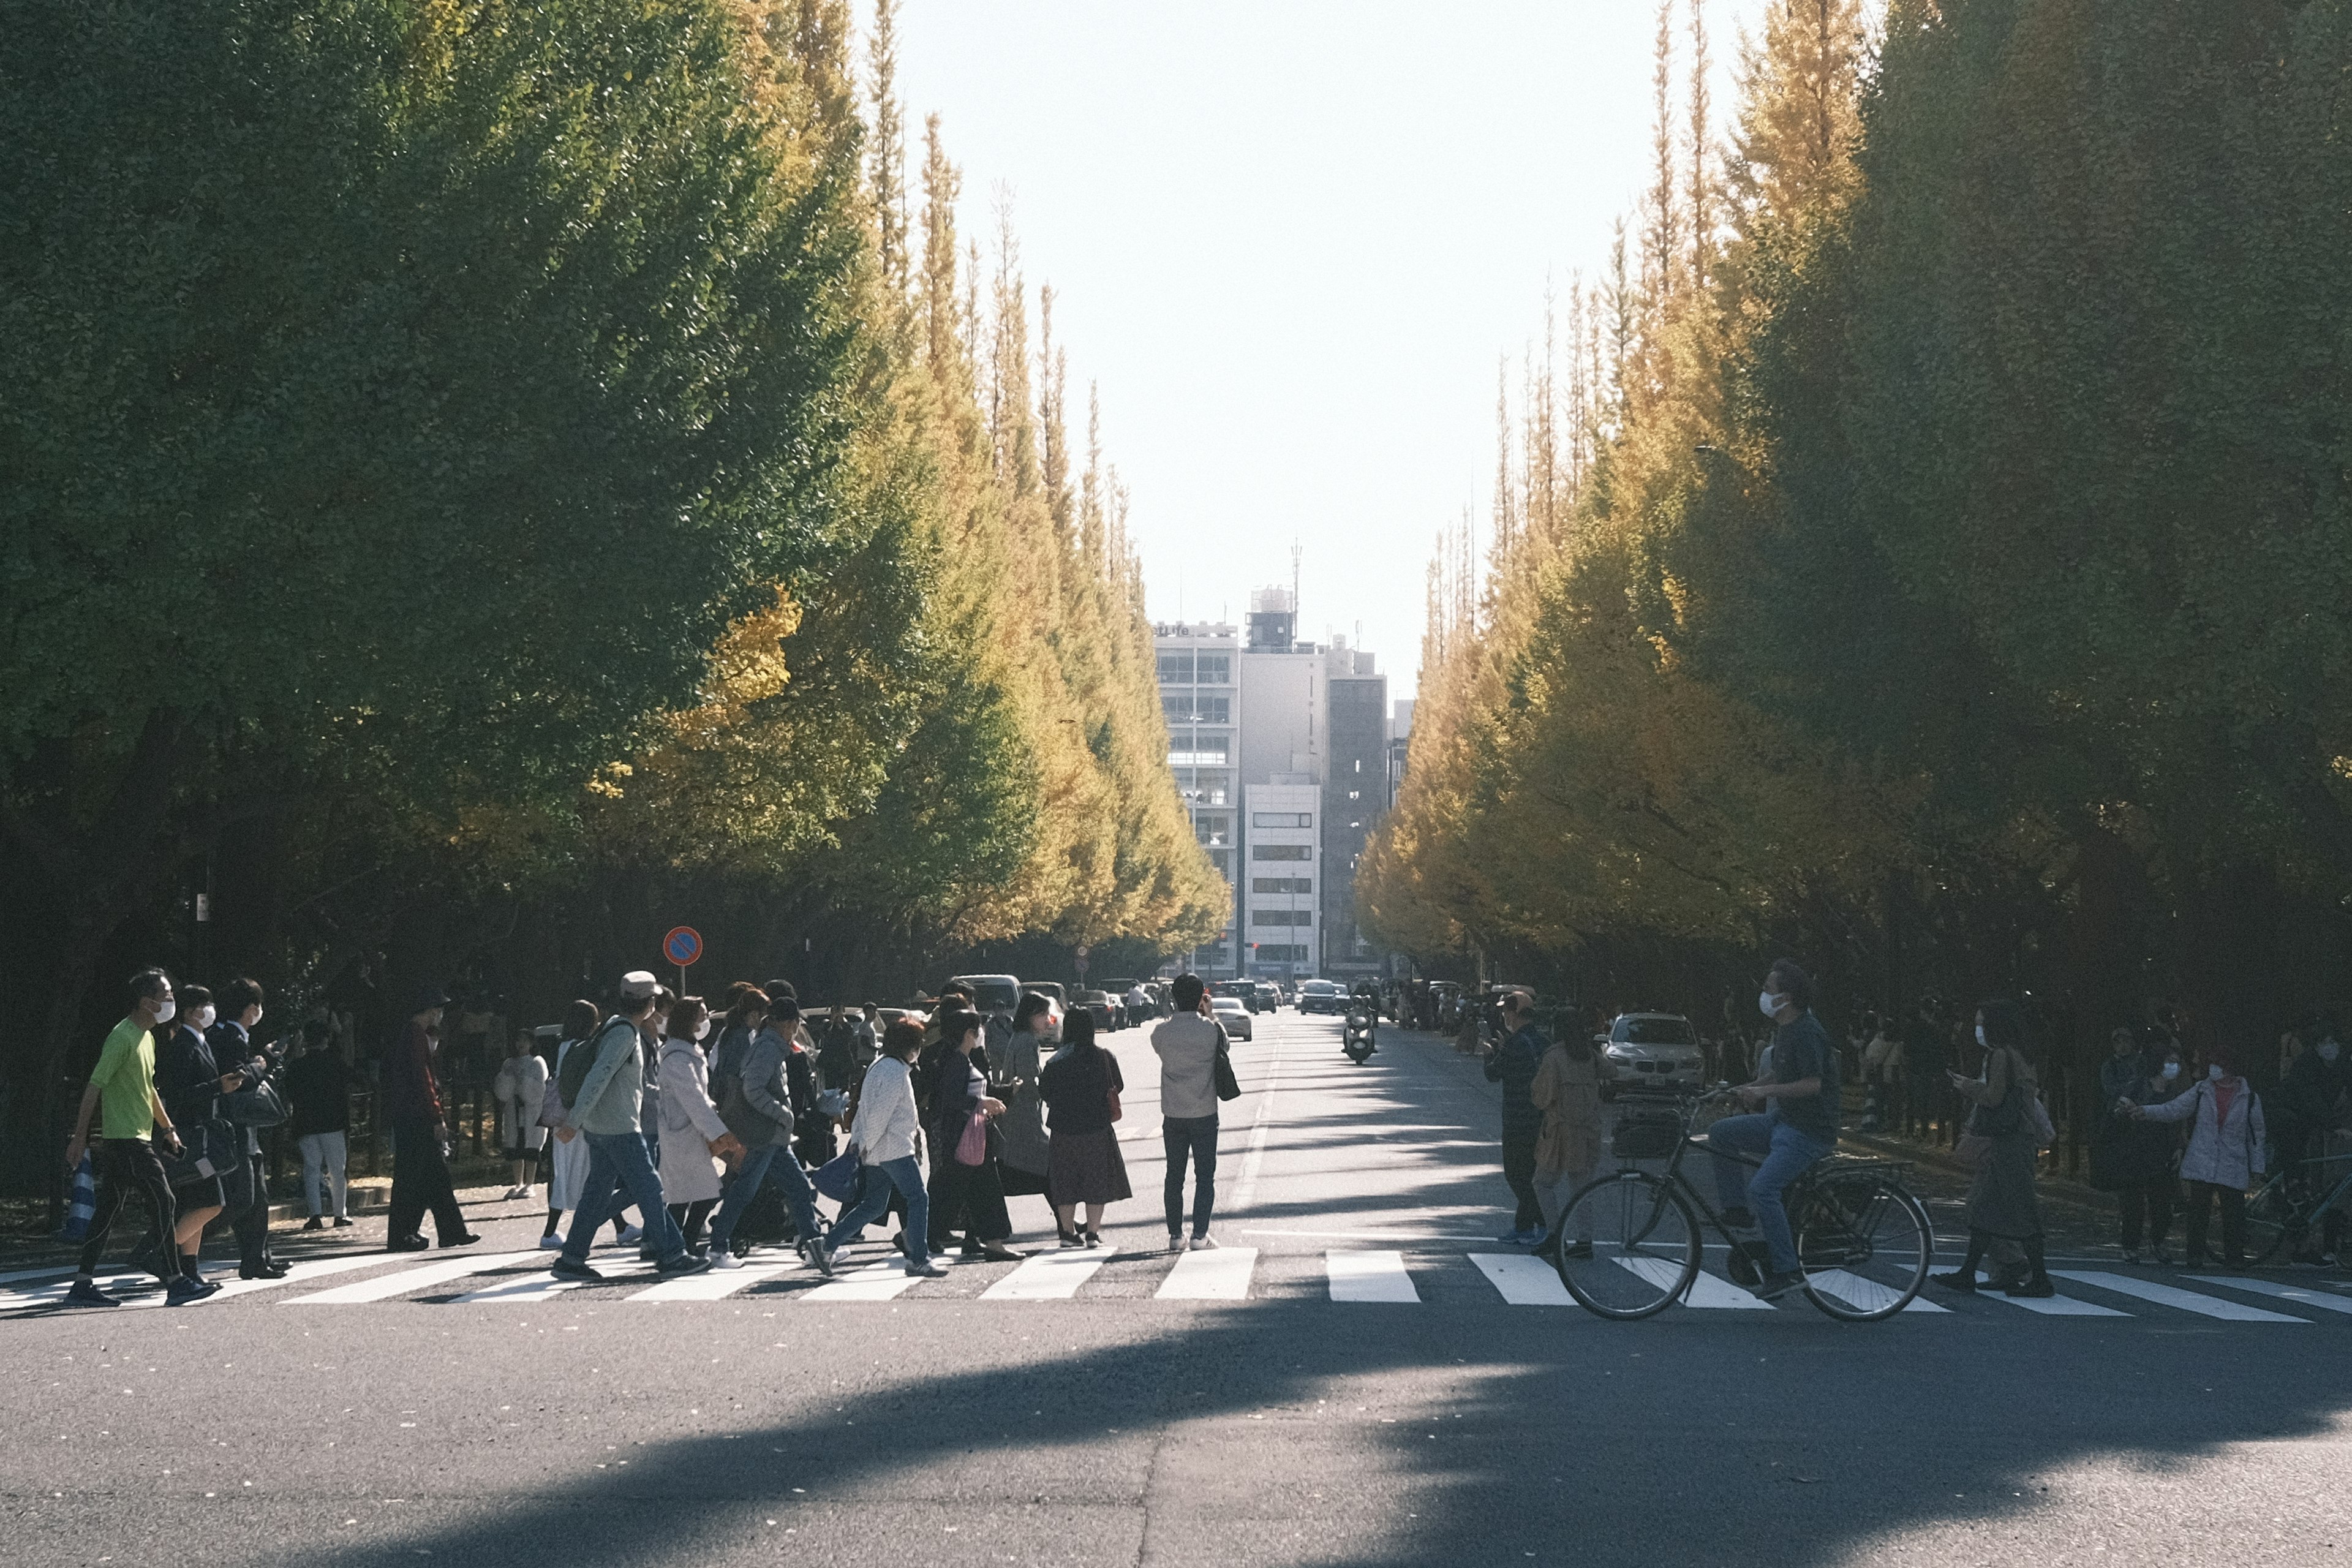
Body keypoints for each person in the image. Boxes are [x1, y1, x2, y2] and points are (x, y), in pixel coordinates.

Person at [61, 970, 209, 1307]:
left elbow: (148, 1090)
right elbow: (94, 1086)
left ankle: (82, 1284)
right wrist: (79, 1137)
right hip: (126, 1139)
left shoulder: (147, 1038)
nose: (172, 1000)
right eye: (167, 994)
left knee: (108, 1211)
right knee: (164, 1200)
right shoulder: (122, 1037)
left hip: (135, 1136)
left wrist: (168, 1128)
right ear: (147, 1002)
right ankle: (175, 1281)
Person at [552, 972, 709, 1281]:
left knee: (597, 1195)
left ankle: (572, 1258)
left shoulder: (614, 1026)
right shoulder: (625, 1034)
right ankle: (672, 1255)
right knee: (651, 1190)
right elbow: (600, 1076)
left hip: (604, 1127)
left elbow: (619, 1083)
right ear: (650, 1003)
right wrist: (573, 1121)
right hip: (620, 1129)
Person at [1706, 960, 1843, 1301]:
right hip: (1783, 1123)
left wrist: (1764, 1093)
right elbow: (1781, 1075)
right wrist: (1745, 1088)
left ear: (1787, 997)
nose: (1763, 995)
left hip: (1809, 1131)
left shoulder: (1807, 1031)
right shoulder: (1785, 1029)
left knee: (1765, 1188)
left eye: (1768, 989)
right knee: (1722, 1133)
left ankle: (1787, 1271)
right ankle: (1736, 1211)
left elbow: (1812, 1084)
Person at [1930, 998, 2054, 1297]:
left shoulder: (2000, 1055)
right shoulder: (2019, 1054)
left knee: (2019, 1208)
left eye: (1981, 1023)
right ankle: (1971, 1272)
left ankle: (2040, 1278)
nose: (1978, 1029)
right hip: (2016, 1139)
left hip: (2009, 1140)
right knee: (1984, 1208)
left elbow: (1993, 1097)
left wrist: (1966, 1087)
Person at [709, 994, 835, 1274]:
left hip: (771, 1136)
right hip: (765, 1133)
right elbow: (752, 1089)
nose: (796, 1028)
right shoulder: (768, 1048)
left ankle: (815, 1247)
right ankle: (718, 1246)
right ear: (788, 1023)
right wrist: (783, 1113)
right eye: (795, 1023)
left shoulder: (770, 1044)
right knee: (747, 1190)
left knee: (798, 1188)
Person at [822, 1020, 947, 1278]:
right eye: (918, 1045)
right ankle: (919, 1259)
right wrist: (865, 1144)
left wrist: (860, 1142)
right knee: (918, 1198)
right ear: (910, 1047)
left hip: (877, 1148)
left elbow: (865, 1110)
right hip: (892, 1148)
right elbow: (881, 1115)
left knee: (874, 1205)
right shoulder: (895, 1071)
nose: (920, 1050)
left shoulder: (880, 1066)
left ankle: (827, 1246)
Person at [2129, 1041, 2267, 1270]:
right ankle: (2195, 1255)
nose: (2213, 1069)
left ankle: (2234, 1256)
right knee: (2198, 1211)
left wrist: (2258, 1166)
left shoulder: (2249, 1096)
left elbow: (2256, 1134)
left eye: (2218, 1065)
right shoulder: (2202, 1090)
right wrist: (2146, 1112)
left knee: (2233, 1212)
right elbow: (2174, 1109)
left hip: (2233, 1161)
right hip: (2202, 1158)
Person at [382, 986, 478, 1252]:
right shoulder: (415, 1036)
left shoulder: (409, 1035)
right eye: (439, 1010)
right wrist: (437, 1115)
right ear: (431, 1011)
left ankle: (450, 1230)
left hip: (409, 1114)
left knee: (434, 1176)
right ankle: (405, 1234)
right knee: (412, 1177)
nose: (441, 1015)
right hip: (418, 1116)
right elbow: (423, 1079)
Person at [152, 984, 236, 1286]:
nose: (211, 1011)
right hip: (190, 1139)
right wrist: (217, 1087)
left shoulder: (199, 1041)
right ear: (190, 1012)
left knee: (197, 1203)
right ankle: (159, 1253)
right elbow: (177, 1096)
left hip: (198, 1136)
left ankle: (189, 1269)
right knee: (211, 1202)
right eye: (205, 1005)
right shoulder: (184, 1046)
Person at [921, 1008, 1020, 1261]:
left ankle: (993, 1242)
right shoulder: (957, 1061)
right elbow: (952, 1099)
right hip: (965, 1136)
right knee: (959, 1192)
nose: (981, 1034)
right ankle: (916, 1233)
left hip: (971, 1135)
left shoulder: (960, 1059)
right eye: (979, 1030)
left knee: (974, 1191)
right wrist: (982, 1102)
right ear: (969, 1034)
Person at [206, 977, 285, 1280]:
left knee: (258, 1197)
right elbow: (238, 1080)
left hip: (242, 1127)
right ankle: (173, 1244)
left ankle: (258, 1258)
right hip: (236, 1126)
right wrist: (260, 1066)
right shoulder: (232, 1037)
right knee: (242, 1198)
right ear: (252, 1009)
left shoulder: (224, 1033)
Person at [543, 1000, 633, 1250]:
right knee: (589, 1174)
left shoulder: (562, 1046)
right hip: (576, 1119)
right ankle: (551, 1232)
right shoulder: (582, 1048)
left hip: (562, 1118)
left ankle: (621, 1226)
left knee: (578, 1174)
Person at [655, 997, 742, 1254]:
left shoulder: (687, 1051)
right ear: (688, 1021)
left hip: (689, 1133)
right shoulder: (677, 1058)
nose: (706, 1021)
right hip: (684, 1133)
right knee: (702, 1192)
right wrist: (720, 1132)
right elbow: (694, 1099)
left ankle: (676, 1244)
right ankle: (681, 1244)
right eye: (702, 1016)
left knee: (685, 1195)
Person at [1039, 1009, 1129, 1248]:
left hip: (1063, 1128)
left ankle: (1068, 1233)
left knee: (1065, 1180)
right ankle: (1092, 1233)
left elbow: (1044, 1091)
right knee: (1096, 1180)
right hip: (1097, 1127)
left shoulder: (1056, 1060)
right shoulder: (1103, 1056)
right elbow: (1117, 1085)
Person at [1152, 973, 1226, 1252]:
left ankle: (1175, 1235)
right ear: (1200, 998)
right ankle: (1199, 1235)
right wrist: (1211, 1014)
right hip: (1204, 1110)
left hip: (1173, 1112)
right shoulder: (1210, 1030)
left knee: (1174, 1175)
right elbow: (1224, 1048)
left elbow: (1160, 1050)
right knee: (1205, 1176)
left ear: (1172, 998)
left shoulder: (1161, 1033)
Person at [1529, 1011, 1612, 1260]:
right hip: (1588, 1130)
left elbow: (1542, 1096)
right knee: (1581, 1188)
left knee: (1542, 1183)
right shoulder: (1589, 1056)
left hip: (1560, 1131)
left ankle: (1556, 1234)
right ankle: (1585, 1240)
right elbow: (1612, 1070)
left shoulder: (1554, 1057)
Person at [2272, 1014, 2350, 1267]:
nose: (2331, 1047)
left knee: (2314, 1184)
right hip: (2289, 1118)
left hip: (2309, 1122)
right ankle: (2299, 1241)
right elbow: (2312, 1100)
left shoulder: (2341, 1066)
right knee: (2298, 1183)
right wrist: (2335, 1127)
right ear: (2316, 1046)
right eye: (2325, 1042)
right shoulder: (2306, 1065)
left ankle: (2304, 1248)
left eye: (2335, 1042)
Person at [2100, 1039, 2186, 1265]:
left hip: (2162, 1151)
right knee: (2133, 1205)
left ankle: (2157, 1241)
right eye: (2170, 1062)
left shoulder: (2175, 1092)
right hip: (2134, 1149)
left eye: (2177, 1063)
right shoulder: (2137, 1086)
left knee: (2163, 1206)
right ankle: (2130, 1246)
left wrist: (2178, 1147)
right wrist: (2126, 1111)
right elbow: (2115, 1113)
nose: (2174, 1067)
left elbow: (2178, 1121)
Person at [1482, 989, 1547, 1246]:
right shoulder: (1542, 1040)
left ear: (1514, 1013)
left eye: (1505, 1011)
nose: (1503, 1015)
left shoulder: (1517, 1044)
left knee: (1515, 1175)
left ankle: (1543, 1222)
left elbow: (1492, 1074)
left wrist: (1489, 1053)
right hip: (1541, 1115)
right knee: (1529, 1173)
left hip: (1518, 1116)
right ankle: (1523, 1227)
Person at [284, 1019, 354, 1229]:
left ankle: (315, 1215)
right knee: (337, 1170)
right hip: (333, 1123)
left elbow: (290, 1093)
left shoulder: (296, 1066)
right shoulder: (335, 1063)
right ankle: (339, 1214)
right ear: (327, 1039)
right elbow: (351, 1082)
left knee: (311, 1169)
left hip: (306, 1123)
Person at [992, 993, 1055, 1207]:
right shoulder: (1028, 1042)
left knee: (1017, 1167)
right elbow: (1029, 1079)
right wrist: (1048, 1093)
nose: (1048, 1020)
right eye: (1044, 1015)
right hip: (1024, 1115)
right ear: (1031, 1016)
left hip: (1015, 1113)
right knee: (1046, 1168)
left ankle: (1067, 1223)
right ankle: (1067, 1224)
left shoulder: (1018, 1037)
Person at [494, 1028, 550, 1201]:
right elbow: (502, 1090)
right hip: (514, 1110)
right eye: (518, 1040)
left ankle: (530, 1184)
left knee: (531, 1147)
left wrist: (522, 1083)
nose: (521, 1044)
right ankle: (518, 1183)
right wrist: (511, 1081)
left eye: (525, 1041)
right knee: (516, 1146)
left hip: (532, 1111)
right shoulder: (509, 1063)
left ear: (532, 1043)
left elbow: (538, 1090)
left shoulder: (537, 1062)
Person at [1858, 1014, 1904, 1134]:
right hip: (1895, 1075)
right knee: (1893, 1101)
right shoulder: (1899, 1043)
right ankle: (1893, 1123)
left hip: (1881, 1074)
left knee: (1879, 1100)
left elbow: (1871, 1056)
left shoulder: (1879, 1041)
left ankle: (1879, 1123)